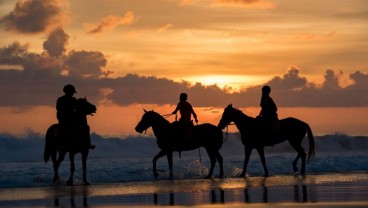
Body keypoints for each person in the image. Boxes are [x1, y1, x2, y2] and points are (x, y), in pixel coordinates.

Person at [56, 84, 95, 149]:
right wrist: (68, 110)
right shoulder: (60, 99)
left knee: (86, 127)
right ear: (66, 92)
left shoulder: (74, 100)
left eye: (72, 93)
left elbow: (78, 108)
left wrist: (86, 111)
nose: (72, 94)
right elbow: (58, 108)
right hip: (63, 117)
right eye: (71, 92)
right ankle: (60, 143)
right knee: (63, 127)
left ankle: (87, 143)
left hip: (72, 117)